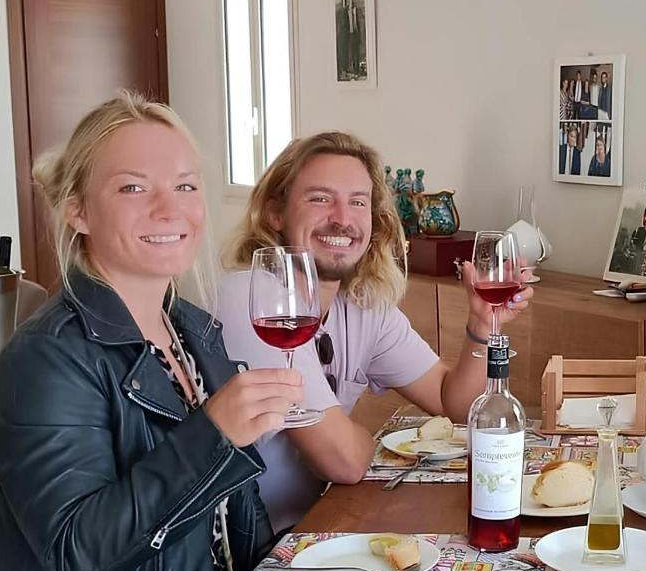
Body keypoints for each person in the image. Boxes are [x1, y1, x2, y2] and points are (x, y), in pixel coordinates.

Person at [0, 93, 297, 571]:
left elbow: (225, 528)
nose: (170, 207)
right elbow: (82, 554)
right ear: (77, 210)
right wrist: (213, 436)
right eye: (133, 186)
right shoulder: (46, 360)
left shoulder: (193, 332)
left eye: (185, 184)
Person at [218, 131, 532, 532]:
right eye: (320, 198)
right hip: (249, 549)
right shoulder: (254, 298)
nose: (342, 218)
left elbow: (452, 403)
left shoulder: (362, 302)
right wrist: (367, 439)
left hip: (317, 523)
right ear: (275, 214)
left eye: (357, 202)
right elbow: (344, 461)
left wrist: (480, 325)